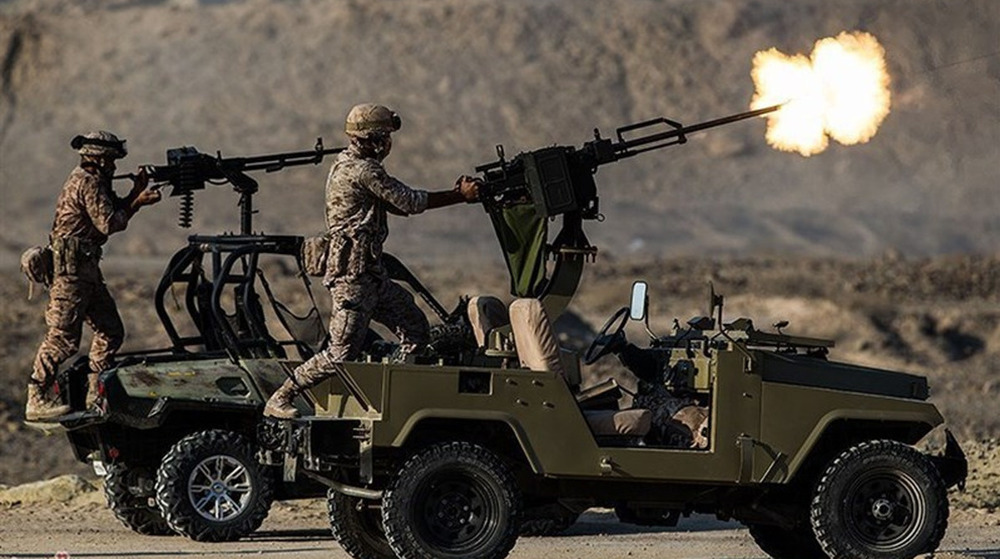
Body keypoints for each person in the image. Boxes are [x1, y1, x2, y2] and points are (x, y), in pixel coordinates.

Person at [264, 104, 479, 419]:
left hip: (371, 276)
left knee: (415, 329)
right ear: (375, 139)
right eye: (385, 137)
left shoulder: (348, 164)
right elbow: (408, 201)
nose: (389, 144)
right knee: (341, 352)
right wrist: (460, 195)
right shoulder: (364, 170)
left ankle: (392, 396)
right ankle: (281, 397)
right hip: (353, 280)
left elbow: (393, 205)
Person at [26, 131, 161, 422]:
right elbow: (109, 223)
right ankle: (36, 398)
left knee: (110, 331)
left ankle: (95, 395)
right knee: (62, 339)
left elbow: (111, 213)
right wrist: (137, 202)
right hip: (70, 275)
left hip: (86, 272)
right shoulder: (87, 182)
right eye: (111, 161)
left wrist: (134, 193)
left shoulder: (96, 182)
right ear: (98, 160)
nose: (114, 167)